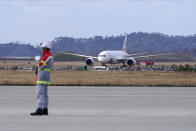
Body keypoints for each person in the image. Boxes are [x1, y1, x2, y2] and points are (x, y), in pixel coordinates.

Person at [30, 42, 53, 116]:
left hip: (41, 77)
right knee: (45, 94)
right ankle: (45, 109)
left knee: (39, 94)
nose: (41, 49)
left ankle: (39, 109)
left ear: (46, 48)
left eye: (42, 48)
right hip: (46, 78)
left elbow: (41, 66)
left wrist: (38, 60)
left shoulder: (46, 56)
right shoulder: (50, 56)